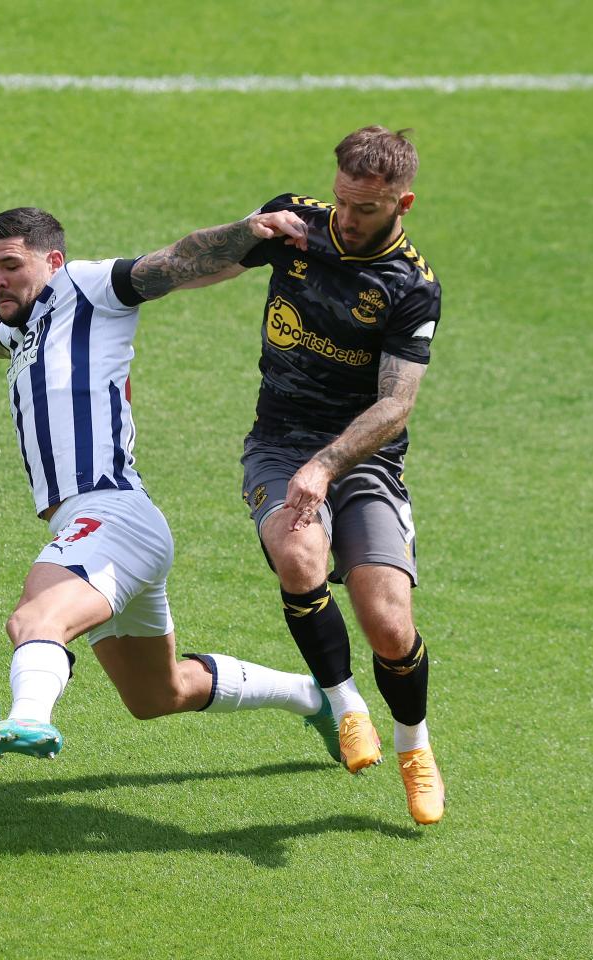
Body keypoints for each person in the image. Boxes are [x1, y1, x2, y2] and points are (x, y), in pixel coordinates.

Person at [0, 206, 334, 766]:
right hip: (121, 524)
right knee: (158, 696)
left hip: (110, 515)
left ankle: (29, 719)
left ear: (53, 261)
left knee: (34, 619)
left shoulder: (88, 287)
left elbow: (179, 260)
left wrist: (245, 231)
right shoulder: (26, 328)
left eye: (10, 265)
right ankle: (314, 698)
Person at [128, 126, 446, 824]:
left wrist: (328, 465)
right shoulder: (298, 223)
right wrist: (246, 229)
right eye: (341, 200)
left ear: (404, 203)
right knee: (298, 555)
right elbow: (188, 264)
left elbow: (396, 403)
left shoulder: (411, 287)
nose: (348, 218)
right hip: (278, 440)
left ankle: (414, 747)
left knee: (388, 624)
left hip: (362, 459)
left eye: (366, 208)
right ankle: (343, 704)